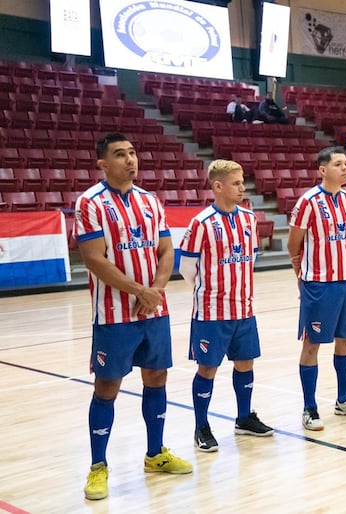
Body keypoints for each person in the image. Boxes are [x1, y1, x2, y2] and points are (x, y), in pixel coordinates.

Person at [76, 133, 192, 501]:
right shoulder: (89, 203)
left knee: (156, 377)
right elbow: (94, 258)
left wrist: (155, 289)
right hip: (113, 314)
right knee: (107, 387)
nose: (130, 160)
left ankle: (155, 455)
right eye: (120, 154)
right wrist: (138, 291)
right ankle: (98, 467)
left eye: (132, 153)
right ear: (102, 164)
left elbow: (166, 250)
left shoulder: (150, 201)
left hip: (154, 309)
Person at [178, 159, 274, 453]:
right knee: (208, 368)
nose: (242, 187)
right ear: (218, 186)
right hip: (211, 313)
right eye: (236, 182)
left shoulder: (248, 218)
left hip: (244, 309)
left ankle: (244, 417)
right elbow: (187, 268)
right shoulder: (202, 223)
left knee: (246, 363)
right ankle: (201, 426)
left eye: (242, 181)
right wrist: (211, 289)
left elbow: (252, 257)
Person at [287, 146, 346, 431]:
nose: (345, 168)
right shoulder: (308, 201)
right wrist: (303, 276)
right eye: (338, 164)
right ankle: (309, 407)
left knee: (345, 341)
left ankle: (343, 398)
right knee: (312, 345)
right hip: (319, 285)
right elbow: (293, 245)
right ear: (322, 170)